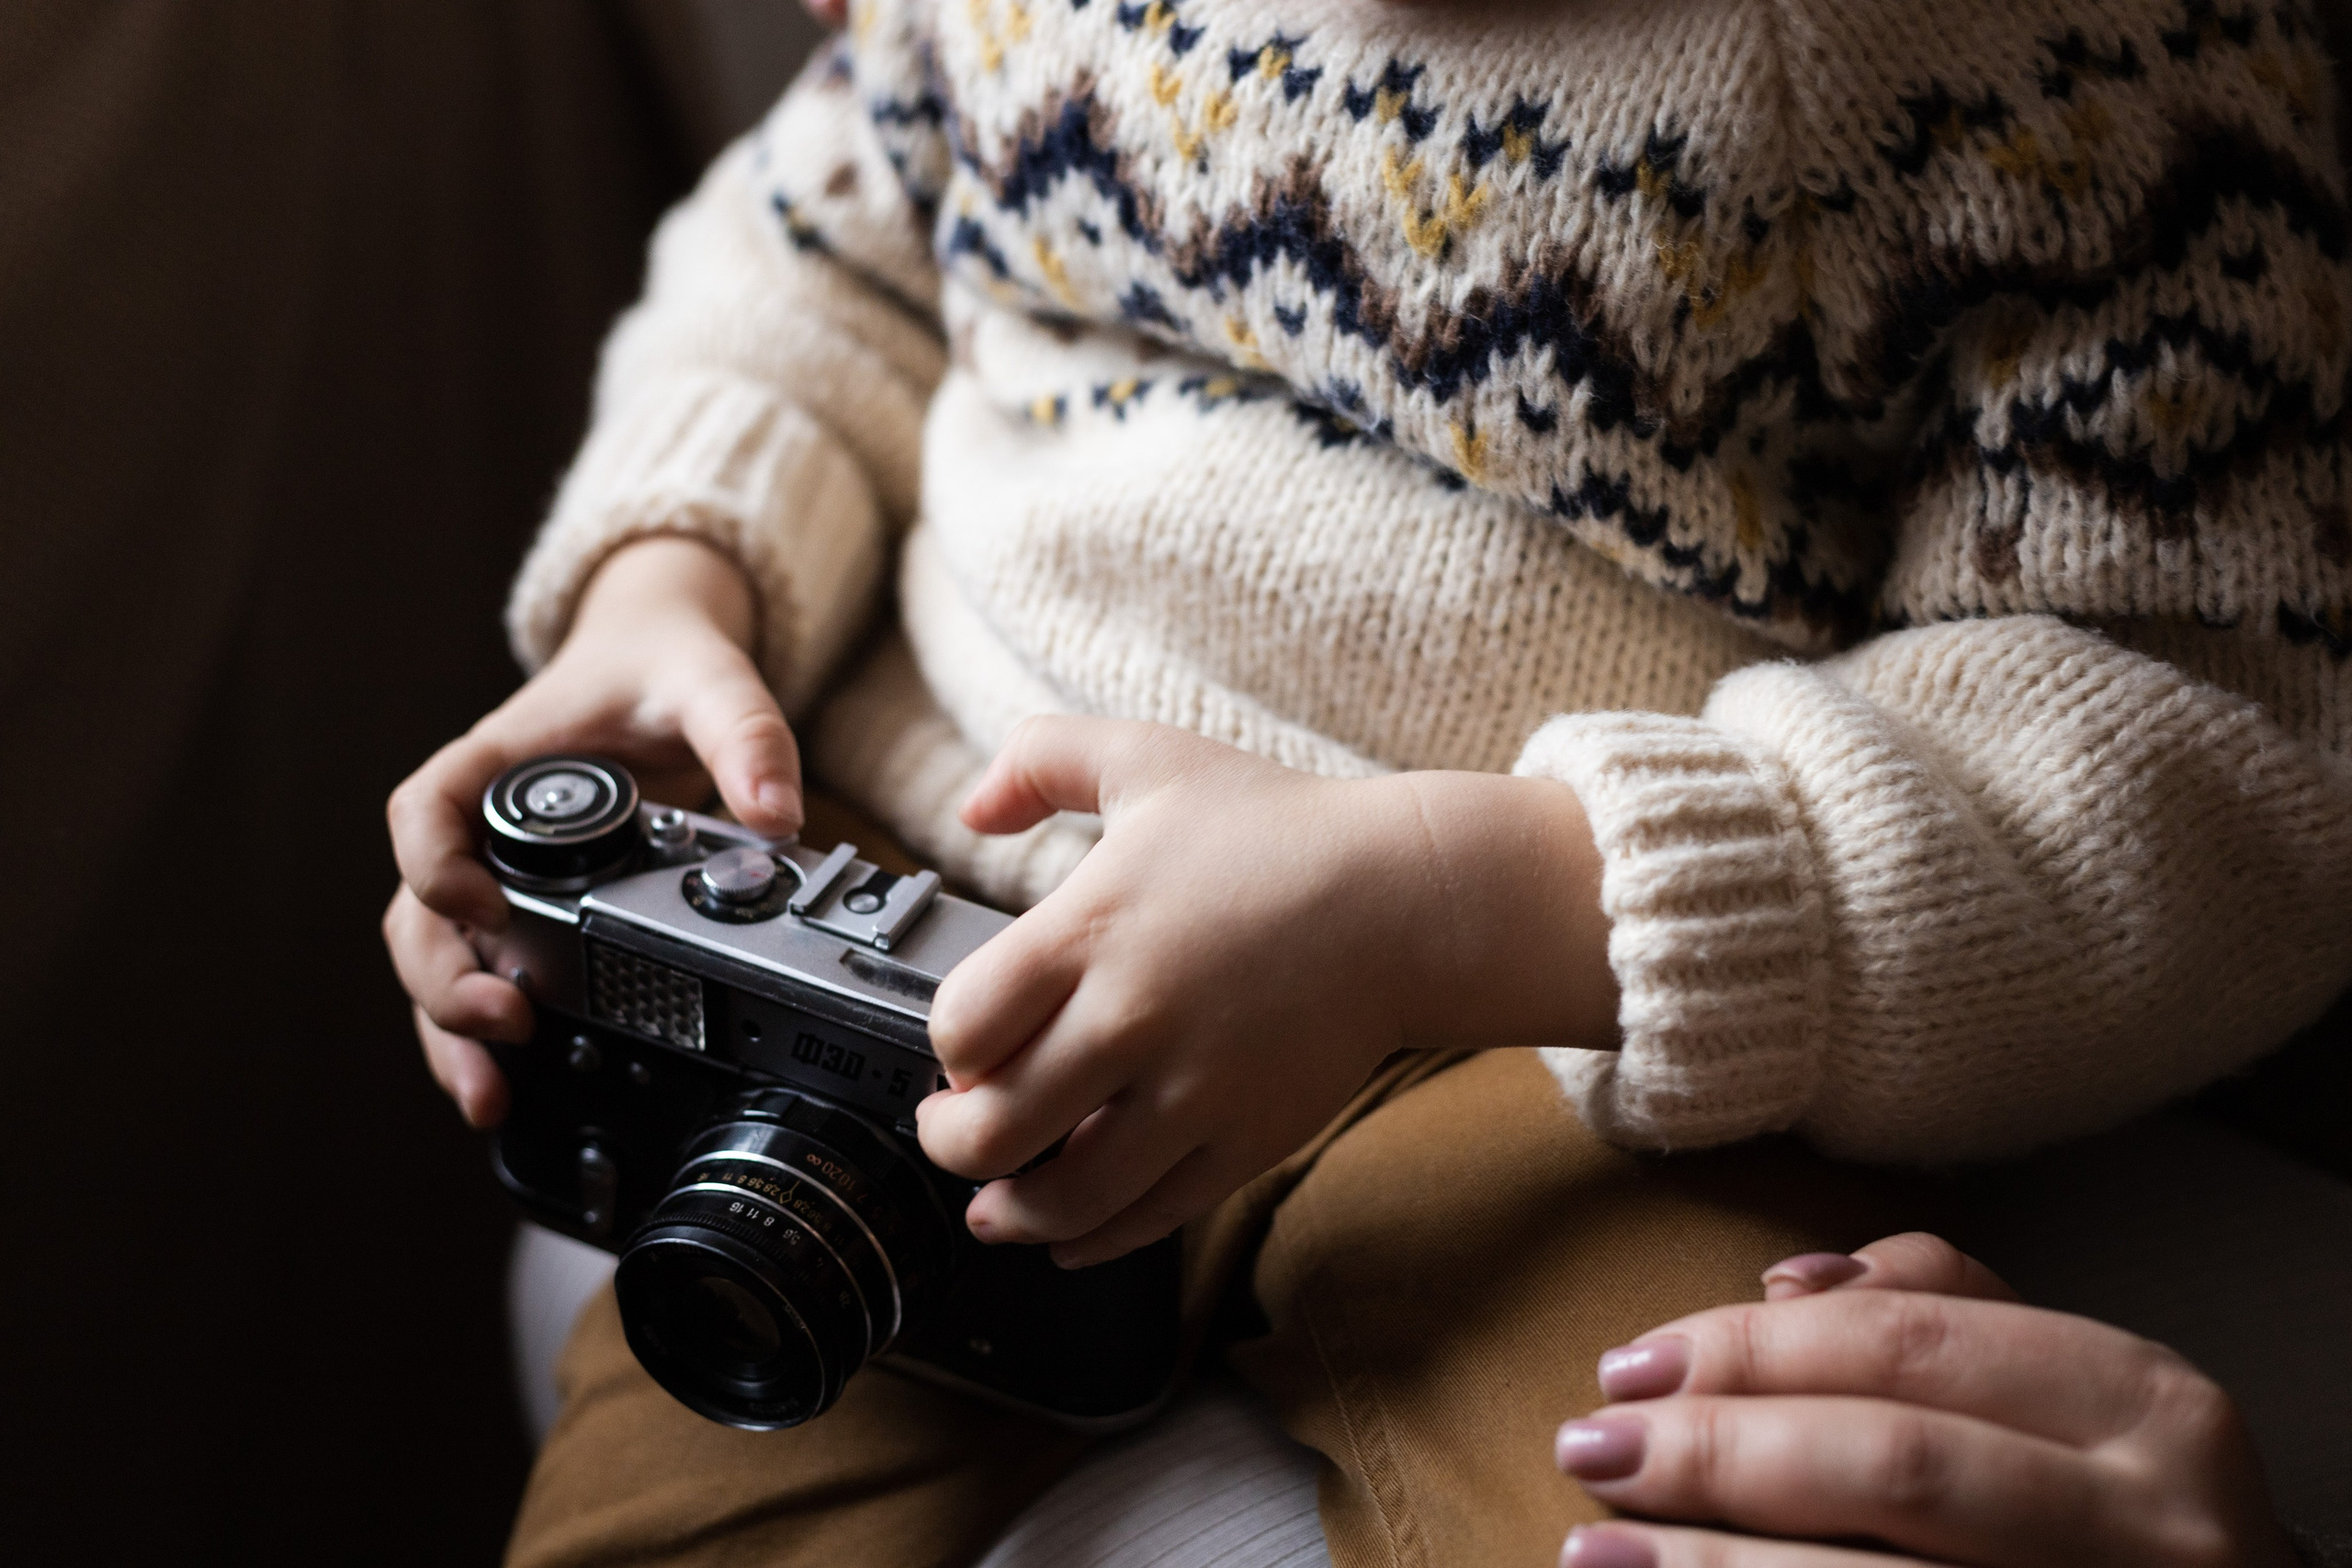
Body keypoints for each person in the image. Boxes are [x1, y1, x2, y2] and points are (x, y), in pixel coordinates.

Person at [381, 0, 2352, 1562]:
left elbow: (2209, 737)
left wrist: (1457, 894)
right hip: (911, 937)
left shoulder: (2055, 60)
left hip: (1557, 1034)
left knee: (1723, 1496)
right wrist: (664, 585)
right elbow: (818, 269)